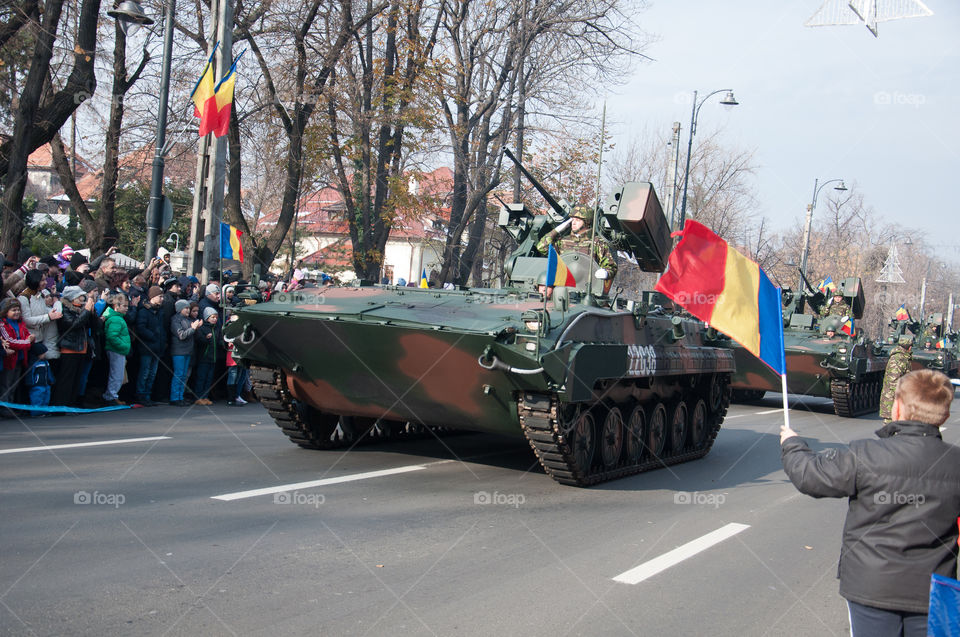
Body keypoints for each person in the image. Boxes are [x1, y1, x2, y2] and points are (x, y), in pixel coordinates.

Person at [781, 369, 960, 637]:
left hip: (871, 587)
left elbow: (811, 477)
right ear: (944, 414)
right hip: (933, 589)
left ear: (897, 407)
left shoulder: (867, 453)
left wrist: (792, 444)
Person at [536, 206, 618, 294]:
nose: (573, 223)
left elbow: (611, 267)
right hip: (562, 290)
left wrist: (606, 273)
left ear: (587, 222)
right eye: (572, 220)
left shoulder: (597, 243)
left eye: (578, 220)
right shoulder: (563, 241)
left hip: (587, 291)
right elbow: (541, 247)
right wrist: (555, 231)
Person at [53, 286, 95, 407]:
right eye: (80, 296)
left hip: (82, 348)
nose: (83, 298)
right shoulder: (65, 309)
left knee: (77, 379)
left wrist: (91, 313)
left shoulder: (82, 309)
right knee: (66, 379)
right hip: (69, 348)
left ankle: (72, 404)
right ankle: (61, 405)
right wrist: (86, 311)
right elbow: (73, 324)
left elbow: (94, 325)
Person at [134, 286, 166, 406]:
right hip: (147, 346)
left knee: (152, 373)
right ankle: (141, 395)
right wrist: (153, 337)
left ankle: (147, 395)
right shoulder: (144, 311)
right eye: (160, 296)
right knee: (145, 372)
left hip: (157, 346)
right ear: (152, 297)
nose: (162, 299)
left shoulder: (159, 311)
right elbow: (141, 328)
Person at [0, 298, 34, 408]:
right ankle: (5, 408)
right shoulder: (3, 325)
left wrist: (31, 337)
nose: (17, 312)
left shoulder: (20, 323)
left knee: (14, 385)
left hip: (19, 359)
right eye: (13, 310)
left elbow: (26, 335)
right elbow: (10, 342)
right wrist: (28, 342)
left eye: (18, 310)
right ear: (6, 312)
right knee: (6, 385)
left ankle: (11, 406)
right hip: (9, 361)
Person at [101, 293, 130, 406]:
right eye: (124, 306)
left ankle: (112, 395)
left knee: (117, 374)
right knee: (116, 374)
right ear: (116, 306)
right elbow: (112, 336)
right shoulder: (116, 319)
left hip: (117, 349)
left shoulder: (117, 318)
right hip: (116, 350)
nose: (126, 308)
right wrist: (123, 346)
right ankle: (111, 396)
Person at [169, 299, 200, 406]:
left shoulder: (187, 319)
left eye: (188, 308)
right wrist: (193, 328)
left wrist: (195, 328)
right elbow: (181, 335)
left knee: (183, 375)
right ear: (179, 309)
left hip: (188, 351)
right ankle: (174, 397)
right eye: (185, 308)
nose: (188, 310)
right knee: (179, 374)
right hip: (179, 351)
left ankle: (180, 396)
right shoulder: (176, 320)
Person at [879, 335, 913, 424]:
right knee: (890, 425)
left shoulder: (903, 358)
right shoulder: (898, 359)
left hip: (897, 399)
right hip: (893, 399)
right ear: (909, 347)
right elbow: (893, 381)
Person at [193, 307, 219, 405]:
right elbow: (199, 341)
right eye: (213, 317)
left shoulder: (216, 328)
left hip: (213, 357)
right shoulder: (202, 328)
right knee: (201, 378)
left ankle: (205, 396)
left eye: (216, 317)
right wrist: (206, 338)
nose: (215, 319)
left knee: (209, 379)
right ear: (207, 318)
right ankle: (198, 396)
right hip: (204, 357)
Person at [25, 342, 54, 417]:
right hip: (37, 384)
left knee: (46, 398)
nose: (44, 355)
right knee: (37, 398)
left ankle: (44, 411)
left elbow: (49, 372)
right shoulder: (33, 363)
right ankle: (36, 413)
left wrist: (51, 379)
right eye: (43, 353)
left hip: (46, 384)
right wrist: (30, 382)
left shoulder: (45, 362)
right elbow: (29, 374)